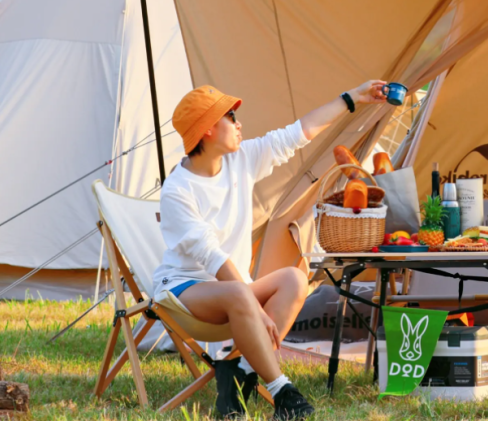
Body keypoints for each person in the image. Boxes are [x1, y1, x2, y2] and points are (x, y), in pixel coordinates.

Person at [153, 80, 388, 420]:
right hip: (184, 292)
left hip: (235, 292)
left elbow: (298, 133)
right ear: (207, 129)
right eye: (230, 117)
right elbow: (212, 257)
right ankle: (283, 393)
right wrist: (254, 306)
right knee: (238, 291)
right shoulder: (178, 190)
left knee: (295, 278)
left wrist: (352, 98)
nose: (239, 124)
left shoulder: (240, 160)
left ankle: (238, 371)